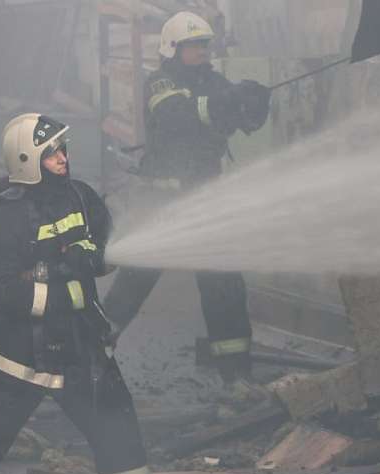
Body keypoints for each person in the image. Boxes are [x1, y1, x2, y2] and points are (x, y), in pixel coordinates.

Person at [0, 114, 152, 474]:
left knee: (115, 421)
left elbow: (105, 245)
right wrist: (57, 288)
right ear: (26, 159)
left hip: (81, 343)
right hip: (23, 350)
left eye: (62, 149)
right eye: (51, 152)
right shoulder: (6, 222)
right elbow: (0, 287)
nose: (62, 158)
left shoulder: (82, 197)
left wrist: (91, 257)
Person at [102, 11, 271, 383]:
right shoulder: (159, 82)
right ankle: (91, 357)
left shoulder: (213, 81)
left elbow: (236, 119)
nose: (201, 52)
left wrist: (252, 102)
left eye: (204, 45)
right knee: (135, 281)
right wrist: (225, 101)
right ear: (172, 49)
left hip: (205, 202)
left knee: (223, 283)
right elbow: (178, 115)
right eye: (193, 46)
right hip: (162, 201)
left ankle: (235, 374)